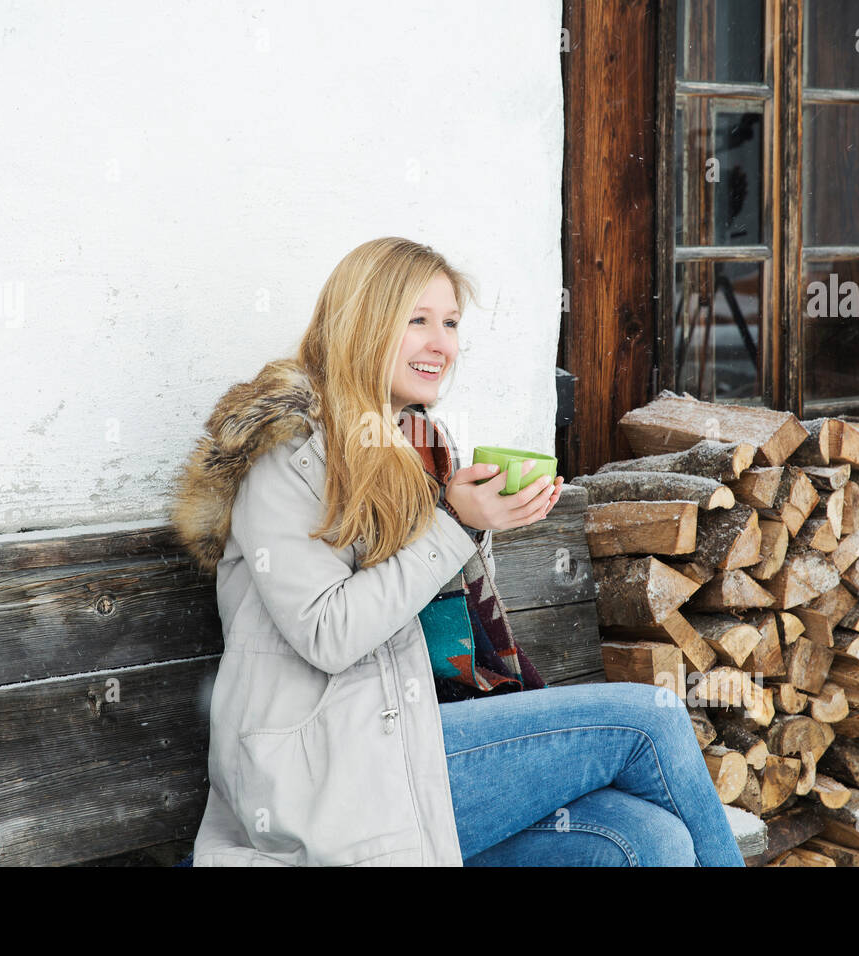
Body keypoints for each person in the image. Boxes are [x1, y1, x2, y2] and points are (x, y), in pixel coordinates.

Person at [170, 236, 745, 866]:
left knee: (648, 839)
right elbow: (328, 633)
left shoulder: (419, 448)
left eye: (449, 323)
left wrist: (475, 521)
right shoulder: (289, 454)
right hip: (332, 775)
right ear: (362, 322)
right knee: (653, 718)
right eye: (417, 320)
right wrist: (454, 527)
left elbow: (445, 641)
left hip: (418, 737)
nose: (441, 344)